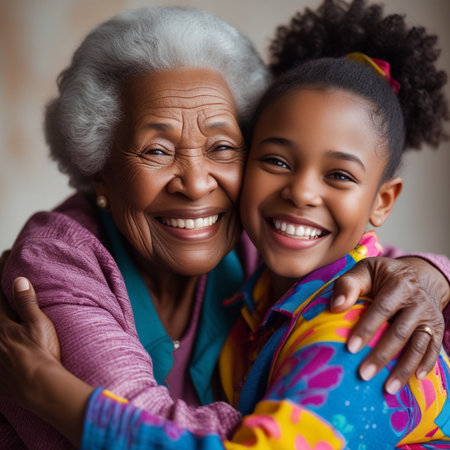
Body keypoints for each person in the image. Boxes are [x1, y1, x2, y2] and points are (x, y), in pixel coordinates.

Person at [0, 1, 449, 448]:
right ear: (100, 166)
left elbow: (377, 266)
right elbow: (145, 424)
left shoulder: (259, 243)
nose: (196, 185)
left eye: (221, 147)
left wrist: (430, 276)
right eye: (157, 150)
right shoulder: (59, 260)